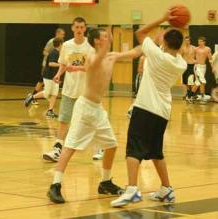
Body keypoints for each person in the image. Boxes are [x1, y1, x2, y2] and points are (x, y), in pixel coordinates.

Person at [47, 27, 142, 204]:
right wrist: (103, 51)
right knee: (70, 147)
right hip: (84, 108)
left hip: (97, 109)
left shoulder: (111, 55)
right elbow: (94, 63)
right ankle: (55, 185)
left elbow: (135, 52)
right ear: (97, 41)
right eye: (105, 36)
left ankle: (105, 182)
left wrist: (149, 42)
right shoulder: (92, 56)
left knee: (111, 145)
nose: (108, 38)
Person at [110, 9, 187, 207]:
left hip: (145, 108)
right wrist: (177, 30)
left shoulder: (157, 55)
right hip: (162, 111)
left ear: (165, 43)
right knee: (155, 152)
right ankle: (167, 189)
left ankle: (132, 189)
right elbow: (178, 45)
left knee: (133, 149)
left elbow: (140, 33)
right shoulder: (181, 63)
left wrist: (162, 19)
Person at [42, 17, 99, 162]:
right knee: (63, 120)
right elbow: (63, 63)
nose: (79, 30)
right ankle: (57, 148)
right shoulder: (67, 45)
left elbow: (90, 67)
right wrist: (58, 74)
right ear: (72, 28)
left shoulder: (90, 46)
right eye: (77, 27)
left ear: (84, 29)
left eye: (81, 27)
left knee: (91, 120)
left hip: (85, 91)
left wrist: (76, 68)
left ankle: (99, 148)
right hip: (69, 89)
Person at [24, 38, 63, 118]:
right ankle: (32, 97)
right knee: (47, 93)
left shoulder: (58, 52)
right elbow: (51, 63)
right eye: (62, 44)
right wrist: (61, 65)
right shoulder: (54, 52)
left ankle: (50, 111)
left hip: (54, 76)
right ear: (59, 44)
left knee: (55, 93)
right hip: (48, 76)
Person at [29, 28, 66, 105]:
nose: (63, 36)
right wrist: (51, 57)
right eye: (62, 34)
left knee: (47, 82)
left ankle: (45, 96)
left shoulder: (61, 43)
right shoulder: (51, 42)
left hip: (53, 66)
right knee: (41, 81)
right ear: (58, 34)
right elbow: (44, 51)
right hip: (47, 65)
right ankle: (33, 96)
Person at [192, 36, 213, 102]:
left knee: (198, 82)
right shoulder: (196, 49)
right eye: (198, 41)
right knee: (202, 81)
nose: (199, 43)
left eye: (201, 41)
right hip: (197, 67)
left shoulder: (207, 49)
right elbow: (192, 57)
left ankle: (191, 96)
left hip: (203, 67)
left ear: (204, 42)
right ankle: (202, 96)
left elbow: (210, 59)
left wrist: (213, 67)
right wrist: (194, 61)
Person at [181, 36, 196, 102]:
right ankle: (188, 93)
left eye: (188, 40)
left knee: (191, 80)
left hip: (191, 65)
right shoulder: (182, 48)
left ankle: (190, 95)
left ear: (190, 41)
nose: (187, 42)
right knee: (185, 81)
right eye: (185, 40)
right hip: (184, 65)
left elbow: (197, 56)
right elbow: (180, 56)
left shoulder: (194, 48)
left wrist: (196, 61)